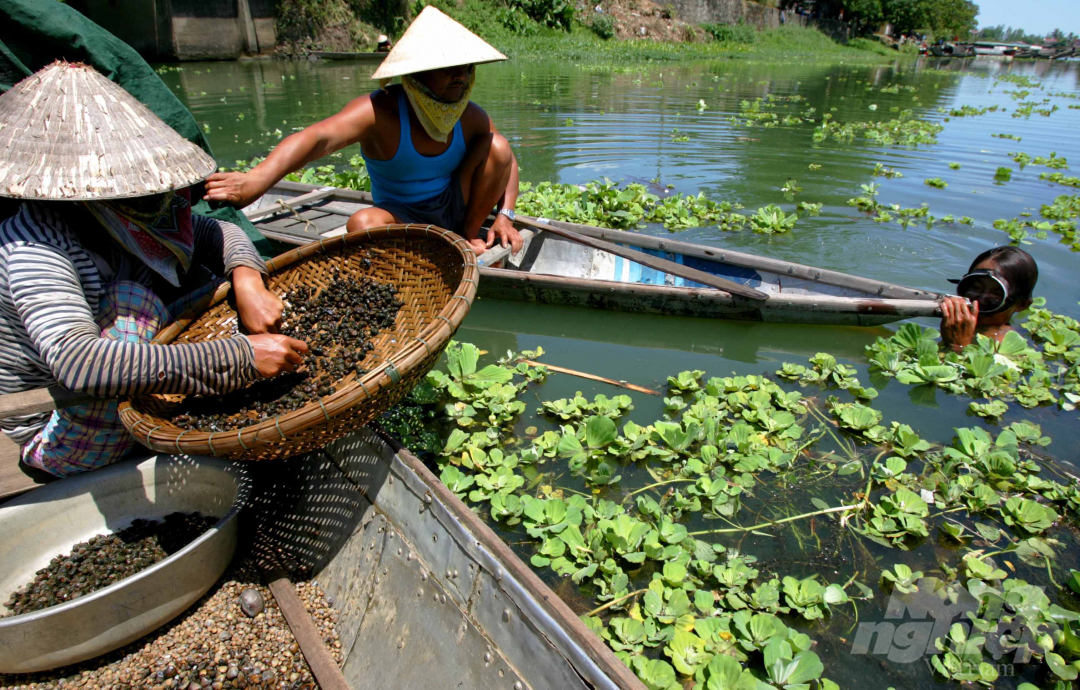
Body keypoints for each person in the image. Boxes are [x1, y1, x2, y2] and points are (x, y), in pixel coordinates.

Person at [0, 62, 309, 477]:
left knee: (217, 293)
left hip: (132, 366)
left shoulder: (133, 217)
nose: (160, 199)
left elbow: (217, 233)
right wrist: (237, 356)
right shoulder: (33, 245)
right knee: (136, 305)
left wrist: (248, 281)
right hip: (59, 417)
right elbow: (80, 363)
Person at [204, 6, 524, 257]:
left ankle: (466, 233)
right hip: (401, 217)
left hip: (456, 206)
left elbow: (506, 162)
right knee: (361, 224)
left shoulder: (470, 116)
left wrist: (504, 216)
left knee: (497, 145)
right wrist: (256, 179)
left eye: (467, 68)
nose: (462, 77)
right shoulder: (380, 111)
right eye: (449, 68)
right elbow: (317, 138)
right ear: (417, 73)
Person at [939, 246, 1039, 353]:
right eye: (975, 288)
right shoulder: (950, 320)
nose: (980, 300)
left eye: (996, 295)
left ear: (1022, 305)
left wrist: (958, 346)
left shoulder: (1010, 352)